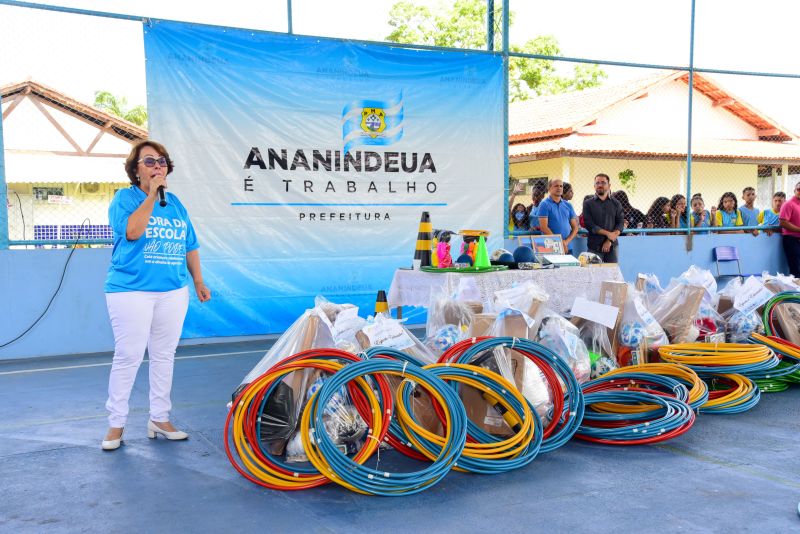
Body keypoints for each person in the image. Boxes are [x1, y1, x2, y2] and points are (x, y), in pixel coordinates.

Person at [101, 140, 212, 451]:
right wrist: (150, 195)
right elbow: (133, 232)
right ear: (136, 170)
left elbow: (190, 245)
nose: (157, 166)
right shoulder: (124, 198)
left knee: (164, 356)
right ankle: (116, 424)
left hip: (173, 291)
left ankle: (159, 418)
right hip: (131, 291)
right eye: (149, 161)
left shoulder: (175, 203)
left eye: (162, 161)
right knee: (129, 356)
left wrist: (198, 281)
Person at [582, 173, 624, 262]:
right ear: (594, 186)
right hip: (594, 246)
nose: (600, 185)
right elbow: (589, 224)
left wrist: (609, 240)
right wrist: (608, 234)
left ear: (609, 185)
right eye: (597, 183)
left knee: (613, 274)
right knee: (594, 274)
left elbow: (620, 223)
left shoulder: (616, 203)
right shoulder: (588, 203)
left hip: (612, 246)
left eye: (603, 183)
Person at [537, 178, 579, 253]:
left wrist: (565, 242)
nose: (559, 188)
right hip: (550, 247)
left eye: (561, 186)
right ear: (549, 188)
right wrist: (559, 243)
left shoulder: (568, 205)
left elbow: (575, 227)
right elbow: (544, 227)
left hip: (567, 247)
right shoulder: (544, 204)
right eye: (556, 186)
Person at [779, 183, 800, 277]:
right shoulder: (788, 204)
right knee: (796, 269)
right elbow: (783, 222)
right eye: (799, 189)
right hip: (792, 239)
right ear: (794, 190)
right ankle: (796, 291)